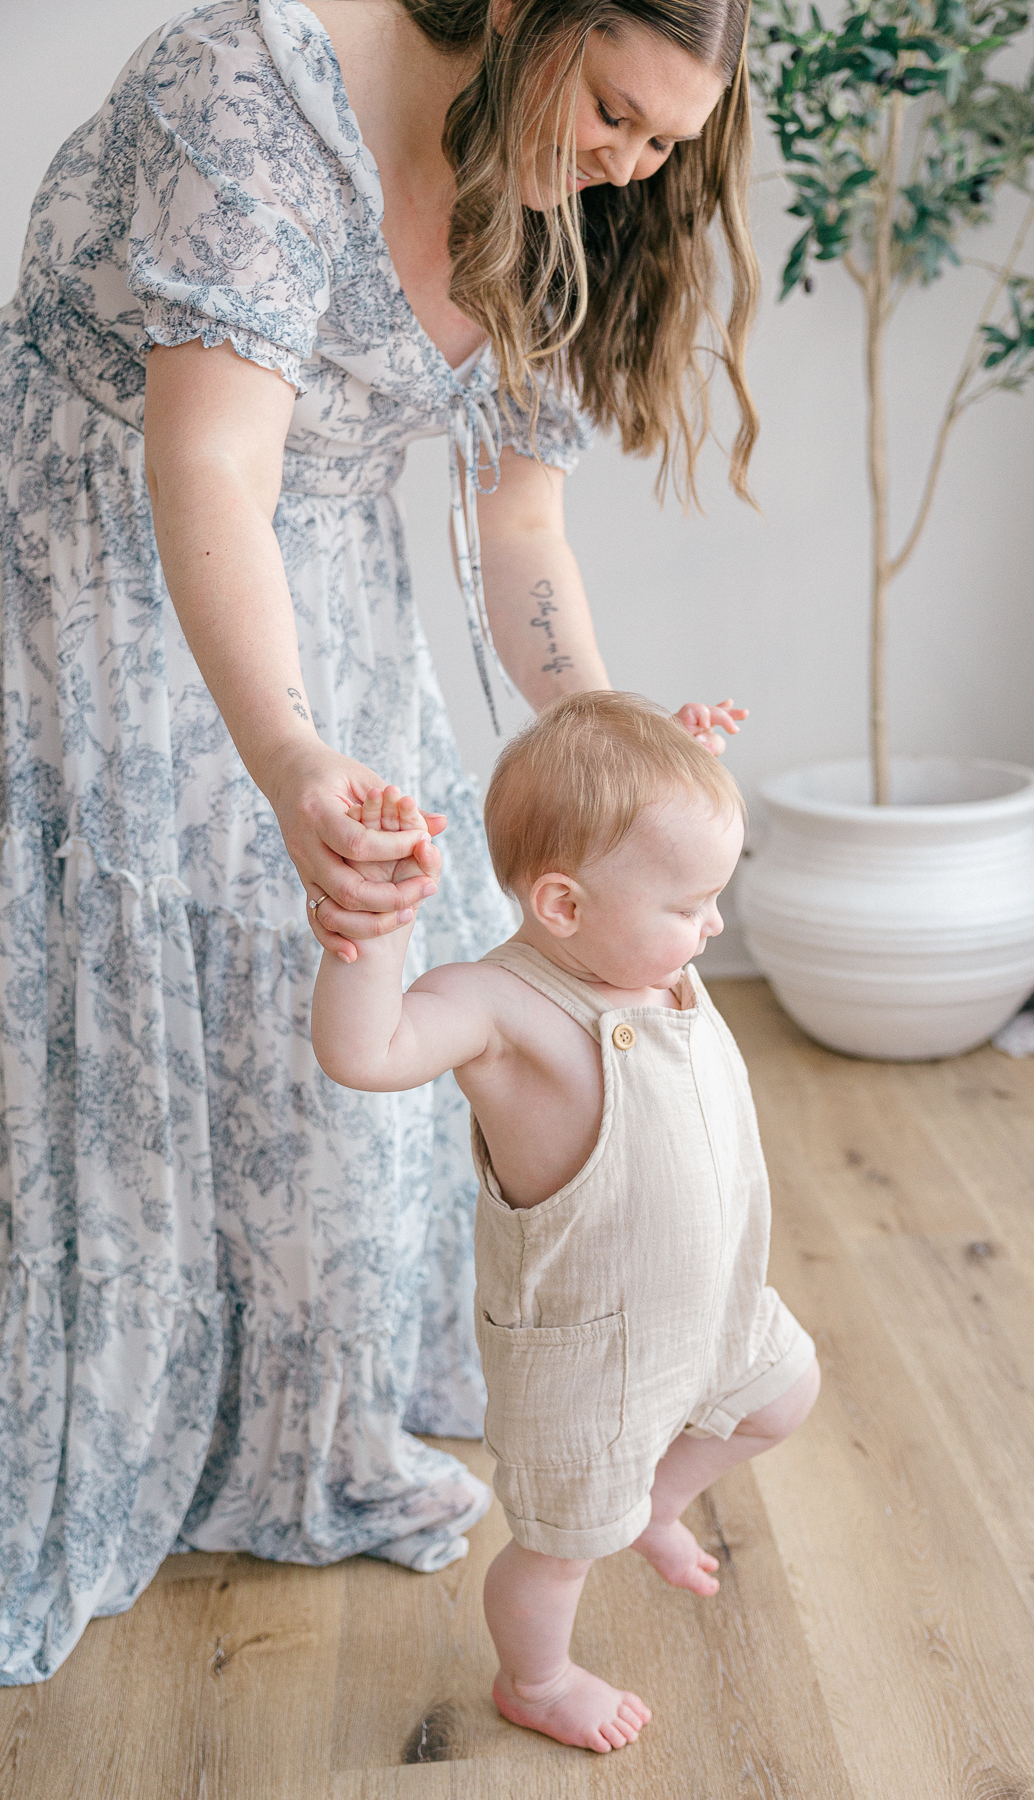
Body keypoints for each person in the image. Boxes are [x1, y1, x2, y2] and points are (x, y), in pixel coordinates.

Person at [0, 0, 761, 1684]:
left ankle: (293, 1402)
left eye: (661, 143)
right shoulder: (250, 91)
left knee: (323, 1020)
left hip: (328, 600)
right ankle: (131, 1408)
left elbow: (519, 525)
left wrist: (619, 765)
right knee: (125, 1043)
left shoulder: (555, 194)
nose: (625, 166)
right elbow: (204, 458)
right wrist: (284, 757)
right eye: (615, 112)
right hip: (95, 573)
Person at [310, 692, 820, 1753]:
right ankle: (535, 1680)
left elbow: (646, 859)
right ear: (564, 905)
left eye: (712, 895)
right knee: (557, 1551)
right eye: (691, 903)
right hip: (589, 1356)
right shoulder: (498, 1008)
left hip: (709, 1301)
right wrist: (374, 935)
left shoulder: (650, 959)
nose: (712, 926)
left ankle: (655, 1505)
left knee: (785, 1392)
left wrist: (675, 777)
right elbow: (365, 1055)